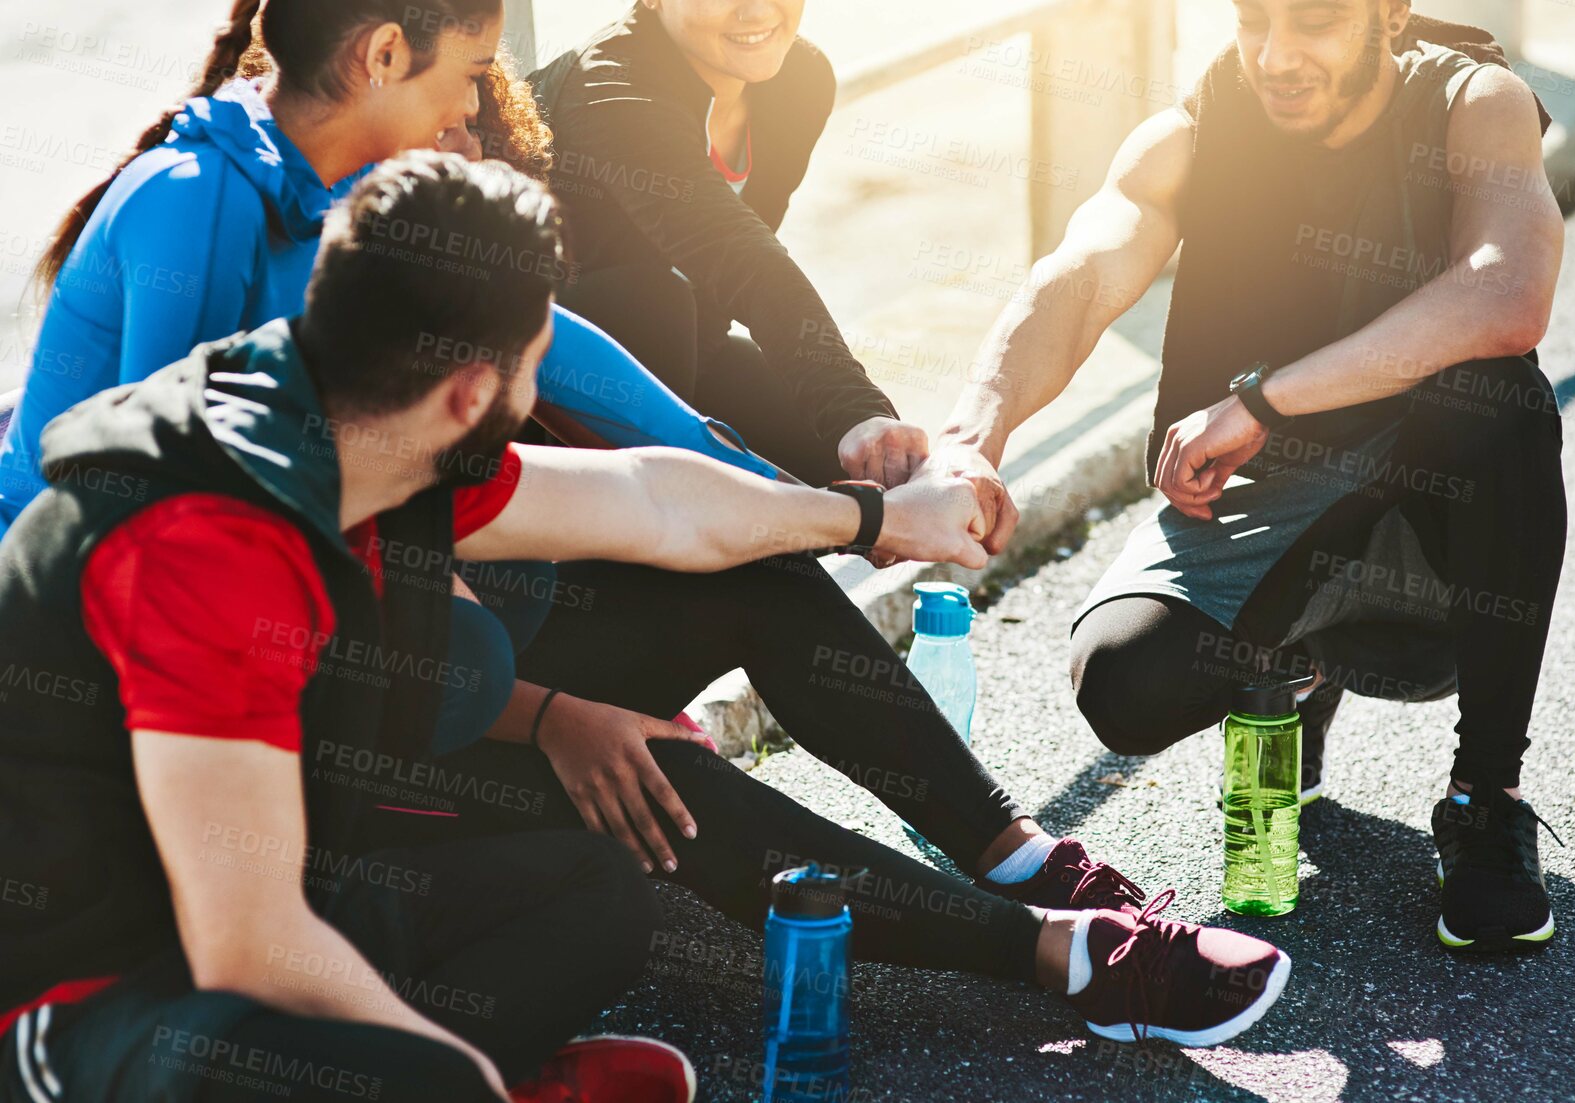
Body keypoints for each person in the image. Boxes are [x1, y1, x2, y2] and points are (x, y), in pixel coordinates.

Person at [0, 156, 1291, 1103]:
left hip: (272, 875)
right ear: (470, 384)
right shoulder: (208, 540)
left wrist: (871, 516)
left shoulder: (358, 415)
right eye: (533, 357)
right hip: (90, 991)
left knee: (593, 894)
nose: (539, 384)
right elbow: (246, 943)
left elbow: (651, 498)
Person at [924, 6, 1569, 951]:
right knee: (1124, 684)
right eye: (1253, 19)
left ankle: (1484, 797)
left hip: (1435, 522)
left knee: (1499, 399)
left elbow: (1507, 291)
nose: (1275, 55)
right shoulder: (1196, 132)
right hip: (1276, 514)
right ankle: (1294, 675)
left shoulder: (1471, 102)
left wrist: (1264, 402)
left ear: (1388, 14)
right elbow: (1083, 268)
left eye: (1310, 22)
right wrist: (972, 434)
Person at [0, 0, 769, 541]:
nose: (472, 108)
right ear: (386, 55)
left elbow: (558, 350)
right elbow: (154, 496)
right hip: (57, 613)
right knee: (465, 628)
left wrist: (767, 487)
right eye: (471, 73)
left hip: (214, 549)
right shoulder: (196, 200)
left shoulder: (337, 193)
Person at [531, 0, 928, 487]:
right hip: (551, 402)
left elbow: (745, 255)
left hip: (696, 356)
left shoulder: (799, 78)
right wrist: (855, 408)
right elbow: (739, 257)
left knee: (877, 473)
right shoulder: (613, 87)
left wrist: (865, 421)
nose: (758, 9)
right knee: (653, 300)